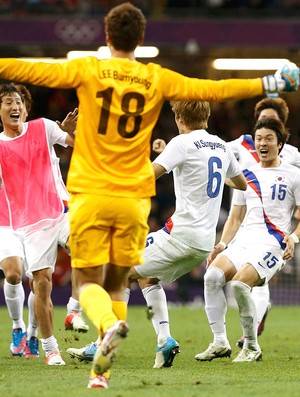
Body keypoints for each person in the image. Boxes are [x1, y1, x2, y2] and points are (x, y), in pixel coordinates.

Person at [0, 1, 297, 389]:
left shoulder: (87, 69)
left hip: (91, 192)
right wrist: (268, 83)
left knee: (92, 280)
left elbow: (22, 68)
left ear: (106, 37)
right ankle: (101, 374)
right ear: (141, 39)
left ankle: (106, 328)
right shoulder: (156, 78)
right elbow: (213, 89)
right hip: (134, 200)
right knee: (124, 276)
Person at [67, 99, 248, 368]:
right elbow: (241, 183)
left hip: (180, 235)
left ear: (179, 118)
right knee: (147, 278)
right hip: (202, 242)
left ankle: (104, 344)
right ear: (206, 117)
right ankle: (164, 341)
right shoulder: (220, 145)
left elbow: (149, 176)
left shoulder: (181, 143)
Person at [195, 117, 300, 362]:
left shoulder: (294, 175)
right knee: (211, 275)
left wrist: (293, 238)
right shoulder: (246, 174)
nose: (263, 143)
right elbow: (235, 218)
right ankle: (219, 342)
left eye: (269, 139)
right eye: (259, 139)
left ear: (280, 144)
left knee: (240, 285)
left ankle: (251, 346)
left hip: (273, 244)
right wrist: (221, 244)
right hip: (243, 241)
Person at [0, 83, 74, 365]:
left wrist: (71, 130)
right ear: (0, 111)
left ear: (26, 107)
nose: (14, 106)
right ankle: (48, 345)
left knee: (87, 248)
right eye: (7, 102)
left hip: (61, 210)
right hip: (27, 224)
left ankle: (75, 310)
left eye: (17, 101)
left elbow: (78, 143)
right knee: (37, 283)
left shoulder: (44, 127)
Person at [227, 97, 300, 348]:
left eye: (273, 122)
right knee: (230, 276)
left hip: (275, 224)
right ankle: (250, 327)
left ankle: (252, 332)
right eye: (261, 122)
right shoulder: (242, 144)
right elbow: (209, 153)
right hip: (245, 216)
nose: (264, 140)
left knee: (257, 276)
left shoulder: (292, 155)